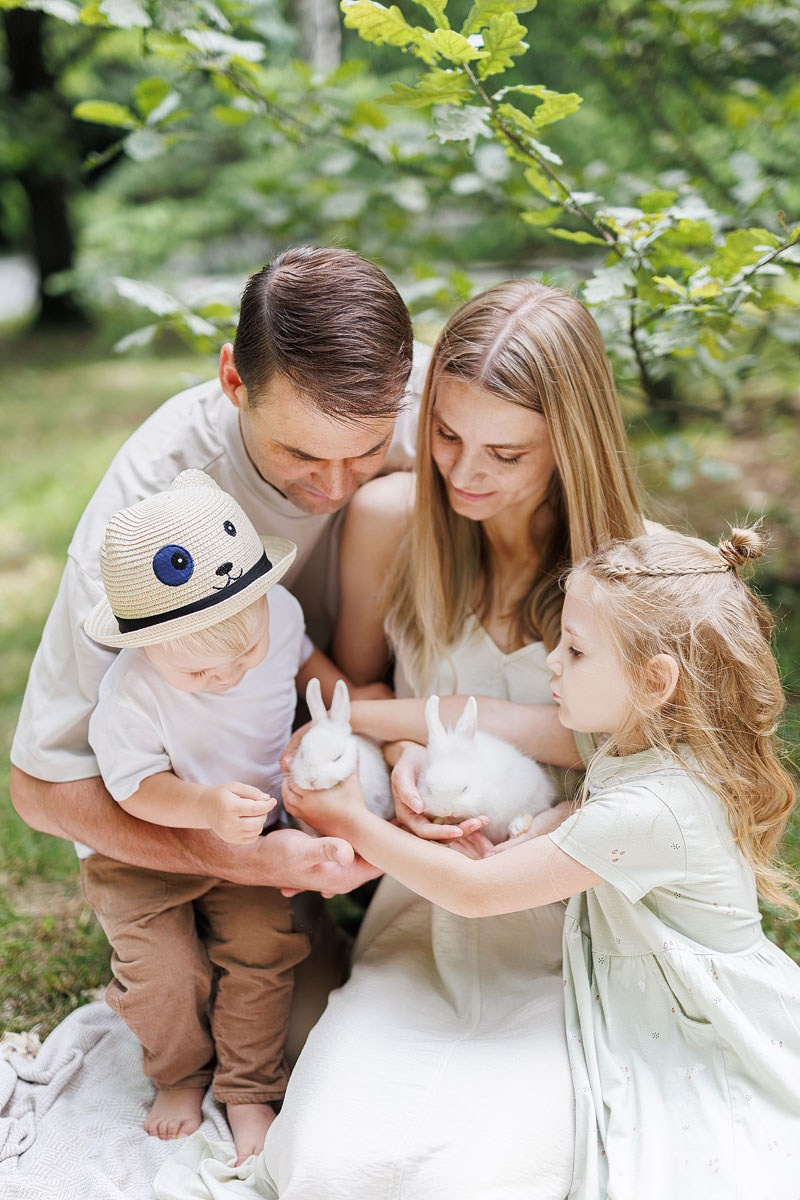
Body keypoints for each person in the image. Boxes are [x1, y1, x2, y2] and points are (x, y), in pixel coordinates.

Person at [244, 280, 649, 1200]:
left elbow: (632, 757)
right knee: (323, 1160)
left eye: (506, 452)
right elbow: (357, 688)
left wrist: (404, 728)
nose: (465, 472)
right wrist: (402, 754)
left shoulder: (635, 569)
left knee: (495, 1168)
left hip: (568, 910)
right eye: (445, 434)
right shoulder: (392, 521)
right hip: (422, 893)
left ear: (573, 443)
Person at [287, 526, 800, 1200]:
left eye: (575, 650)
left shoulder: (656, 803)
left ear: (655, 680)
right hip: (638, 991)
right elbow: (492, 718)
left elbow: (474, 891)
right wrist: (353, 721)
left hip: (698, 1021)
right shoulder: (640, 736)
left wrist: (349, 819)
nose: (552, 662)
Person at [9, 245, 425, 906]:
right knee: (272, 968)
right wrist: (247, 860)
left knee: (397, 500)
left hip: (331, 700)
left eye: (368, 451)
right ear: (234, 381)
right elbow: (40, 790)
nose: (334, 486)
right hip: (206, 791)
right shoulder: (135, 536)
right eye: (300, 453)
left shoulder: (410, 395)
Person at [81, 470, 357, 1162]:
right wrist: (203, 805)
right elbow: (135, 789)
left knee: (264, 947)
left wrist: (345, 709)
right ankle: (177, 1075)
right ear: (145, 646)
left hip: (249, 839)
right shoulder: (133, 692)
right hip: (147, 849)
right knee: (166, 972)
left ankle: (249, 1088)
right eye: (202, 675)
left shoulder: (279, 616)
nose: (228, 677)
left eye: (245, 655)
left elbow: (307, 666)